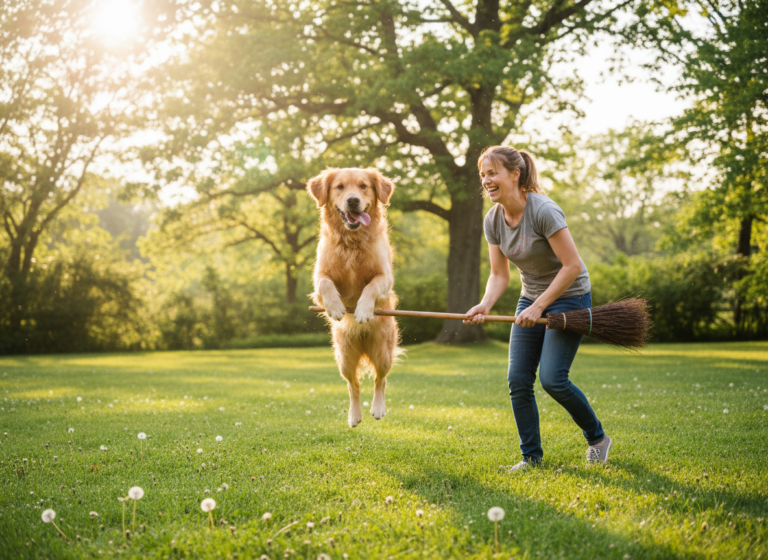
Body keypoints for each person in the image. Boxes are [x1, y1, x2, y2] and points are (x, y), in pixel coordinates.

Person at [464, 146, 611, 471]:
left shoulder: (544, 210)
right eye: (482, 175)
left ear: (515, 175)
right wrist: (485, 305)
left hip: (570, 296)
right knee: (518, 379)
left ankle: (598, 439)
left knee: (553, 379)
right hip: (531, 297)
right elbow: (499, 274)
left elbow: (572, 266)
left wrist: (541, 306)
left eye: (493, 173)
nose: (486, 181)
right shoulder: (493, 220)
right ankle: (531, 458)